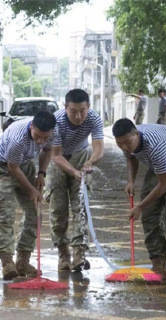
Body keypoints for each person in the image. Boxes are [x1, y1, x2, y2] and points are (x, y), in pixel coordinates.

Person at [112, 118, 166, 282]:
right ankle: (158, 263)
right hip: (158, 167)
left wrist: (140, 206)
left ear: (136, 133)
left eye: (127, 142)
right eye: (120, 144)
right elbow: (131, 158)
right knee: (150, 215)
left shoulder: (155, 146)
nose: (125, 147)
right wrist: (131, 181)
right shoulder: (125, 141)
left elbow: (164, 184)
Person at [0, 110, 56, 279]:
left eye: (45, 137)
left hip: (25, 166)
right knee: (5, 213)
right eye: (37, 136)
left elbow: (47, 151)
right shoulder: (18, 138)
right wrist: (31, 189)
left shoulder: (52, 134)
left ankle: (23, 260)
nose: (41, 141)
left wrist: (41, 173)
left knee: (35, 213)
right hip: (3, 168)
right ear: (31, 126)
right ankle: (7, 262)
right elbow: (12, 167)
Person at [46, 89, 104, 272]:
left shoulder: (94, 118)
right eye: (73, 111)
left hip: (81, 155)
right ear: (65, 108)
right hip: (58, 160)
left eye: (82, 111)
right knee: (58, 208)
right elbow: (55, 155)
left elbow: (98, 146)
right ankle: (63, 254)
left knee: (81, 206)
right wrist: (72, 171)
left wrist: (90, 161)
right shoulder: (56, 121)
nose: (78, 116)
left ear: (88, 107)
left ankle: (79, 253)